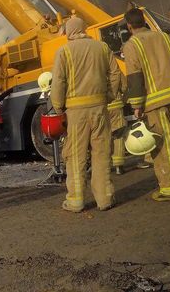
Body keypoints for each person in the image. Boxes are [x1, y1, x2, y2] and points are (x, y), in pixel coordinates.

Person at [122, 7, 170, 201]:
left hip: (155, 101)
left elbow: (135, 78)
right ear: (144, 21)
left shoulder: (131, 45)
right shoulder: (164, 37)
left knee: (163, 145)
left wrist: (136, 105)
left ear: (129, 26)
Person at [50, 16, 119, 212]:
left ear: (69, 32)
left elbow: (59, 82)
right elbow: (115, 74)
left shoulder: (64, 52)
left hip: (76, 112)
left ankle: (76, 200)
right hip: (99, 108)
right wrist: (110, 95)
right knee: (102, 153)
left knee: (76, 155)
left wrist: (58, 107)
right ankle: (105, 198)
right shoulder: (102, 47)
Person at [107, 66, 128, 175]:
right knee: (118, 134)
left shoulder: (93, 67)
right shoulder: (114, 68)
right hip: (116, 105)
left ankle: (105, 164)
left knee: (104, 136)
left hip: (100, 106)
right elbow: (124, 86)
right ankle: (118, 166)